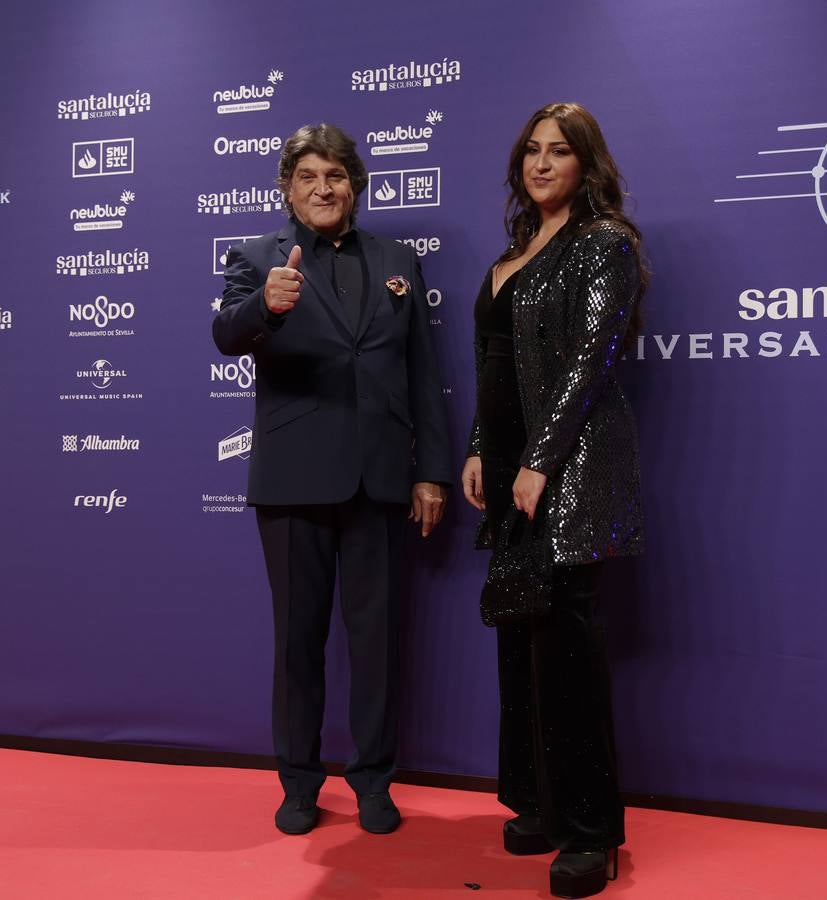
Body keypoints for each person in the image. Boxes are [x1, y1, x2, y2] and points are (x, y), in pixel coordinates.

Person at [213, 123, 453, 836]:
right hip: (292, 481)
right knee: (297, 641)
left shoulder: (397, 258)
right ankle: (297, 783)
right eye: (309, 175)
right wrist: (267, 305)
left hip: (379, 481)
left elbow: (422, 374)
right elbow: (226, 334)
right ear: (286, 188)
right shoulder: (257, 258)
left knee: (376, 641)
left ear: (356, 184)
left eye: (337, 174)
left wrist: (430, 472)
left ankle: (375, 780)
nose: (324, 187)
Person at [461, 103, 646, 899]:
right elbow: (495, 367)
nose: (541, 163)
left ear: (585, 165)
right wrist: (477, 445)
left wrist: (538, 462)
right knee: (521, 644)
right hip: (509, 472)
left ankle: (591, 834)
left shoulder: (604, 247)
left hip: (566, 470)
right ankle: (537, 803)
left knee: (568, 655)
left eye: (559, 152)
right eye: (531, 151)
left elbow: (590, 361)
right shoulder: (511, 254)